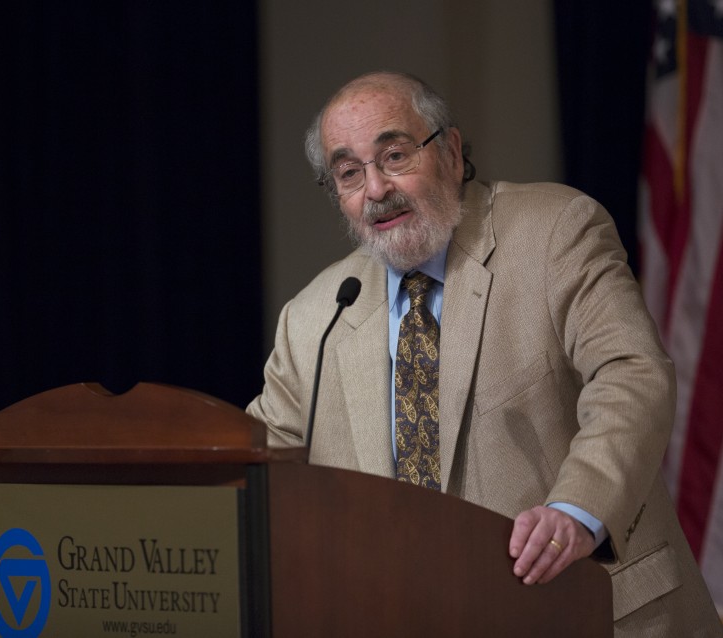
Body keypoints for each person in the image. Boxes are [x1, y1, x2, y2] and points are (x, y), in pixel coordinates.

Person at [247, 71, 721, 635]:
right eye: (349, 173)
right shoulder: (314, 318)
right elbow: (252, 464)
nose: (375, 190)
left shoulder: (554, 233)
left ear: (449, 151)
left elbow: (631, 375)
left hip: (584, 610)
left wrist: (576, 510)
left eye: (394, 155)